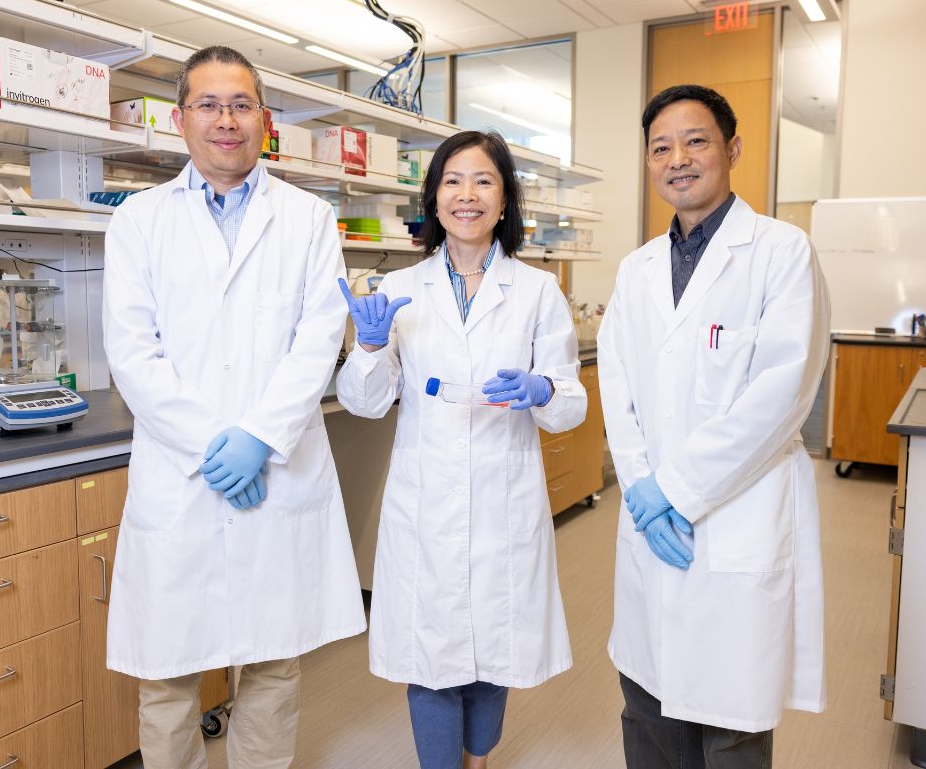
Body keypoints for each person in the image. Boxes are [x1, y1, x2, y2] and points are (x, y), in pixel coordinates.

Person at [101, 45, 365, 769]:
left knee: (273, 671)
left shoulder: (309, 219)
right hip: (180, 475)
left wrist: (258, 438)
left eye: (241, 104)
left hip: (274, 466)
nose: (226, 120)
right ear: (181, 119)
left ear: (265, 120)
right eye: (209, 105)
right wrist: (216, 447)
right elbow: (133, 352)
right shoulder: (138, 222)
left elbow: (317, 341)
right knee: (166, 677)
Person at [336, 130, 586, 769]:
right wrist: (366, 348)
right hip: (426, 500)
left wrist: (541, 390)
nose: (466, 195)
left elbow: (569, 406)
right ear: (433, 198)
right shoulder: (401, 291)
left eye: (483, 182)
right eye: (452, 181)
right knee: (430, 653)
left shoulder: (536, 293)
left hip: (504, 498)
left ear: (504, 202)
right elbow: (365, 402)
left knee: (493, 647)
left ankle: (478, 759)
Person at [598, 84, 831, 768]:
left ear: (730, 149)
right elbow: (618, 387)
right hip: (651, 524)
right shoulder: (635, 270)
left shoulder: (782, 253)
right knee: (646, 706)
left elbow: (782, 394)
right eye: (660, 147)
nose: (678, 159)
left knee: (729, 725)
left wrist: (674, 488)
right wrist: (642, 486)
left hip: (737, 515)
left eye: (695, 141)